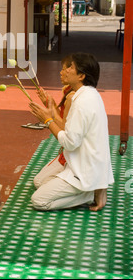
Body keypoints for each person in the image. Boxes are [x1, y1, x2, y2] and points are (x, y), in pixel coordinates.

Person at [29, 52, 114, 212]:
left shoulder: (81, 102)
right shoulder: (90, 95)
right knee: (40, 182)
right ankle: (92, 187)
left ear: (81, 75)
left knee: (39, 200)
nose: (64, 70)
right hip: (82, 163)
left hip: (83, 170)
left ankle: (88, 194)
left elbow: (69, 142)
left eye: (70, 67)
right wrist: (51, 111)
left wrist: (48, 121)